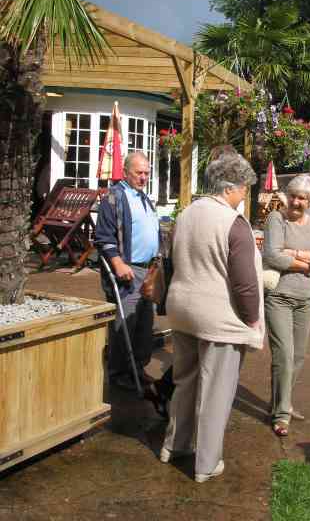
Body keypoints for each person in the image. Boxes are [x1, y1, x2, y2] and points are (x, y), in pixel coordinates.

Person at [160, 152, 265, 483]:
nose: (244, 195)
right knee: (216, 391)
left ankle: (173, 446)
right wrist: (252, 319)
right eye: (244, 188)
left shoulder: (186, 214)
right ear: (231, 187)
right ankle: (206, 464)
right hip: (218, 317)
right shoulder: (234, 223)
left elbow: (170, 259)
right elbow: (246, 281)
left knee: (185, 382)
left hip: (182, 310)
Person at [263, 175, 310, 437]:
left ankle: (282, 402)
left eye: (302, 198)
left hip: (306, 298)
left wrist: (295, 253)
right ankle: (281, 415)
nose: (296, 202)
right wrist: (306, 264)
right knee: (284, 356)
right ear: (286, 196)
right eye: (293, 196)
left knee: (298, 357)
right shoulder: (276, 219)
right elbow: (272, 255)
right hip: (279, 296)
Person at [95, 151, 159, 390]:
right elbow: (103, 237)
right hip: (128, 270)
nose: (143, 177)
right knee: (124, 325)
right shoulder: (114, 197)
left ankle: (137, 369)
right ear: (125, 172)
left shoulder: (143, 197)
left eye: (146, 173)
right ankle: (119, 374)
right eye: (138, 173)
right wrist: (118, 263)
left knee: (144, 323)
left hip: (149, 271)